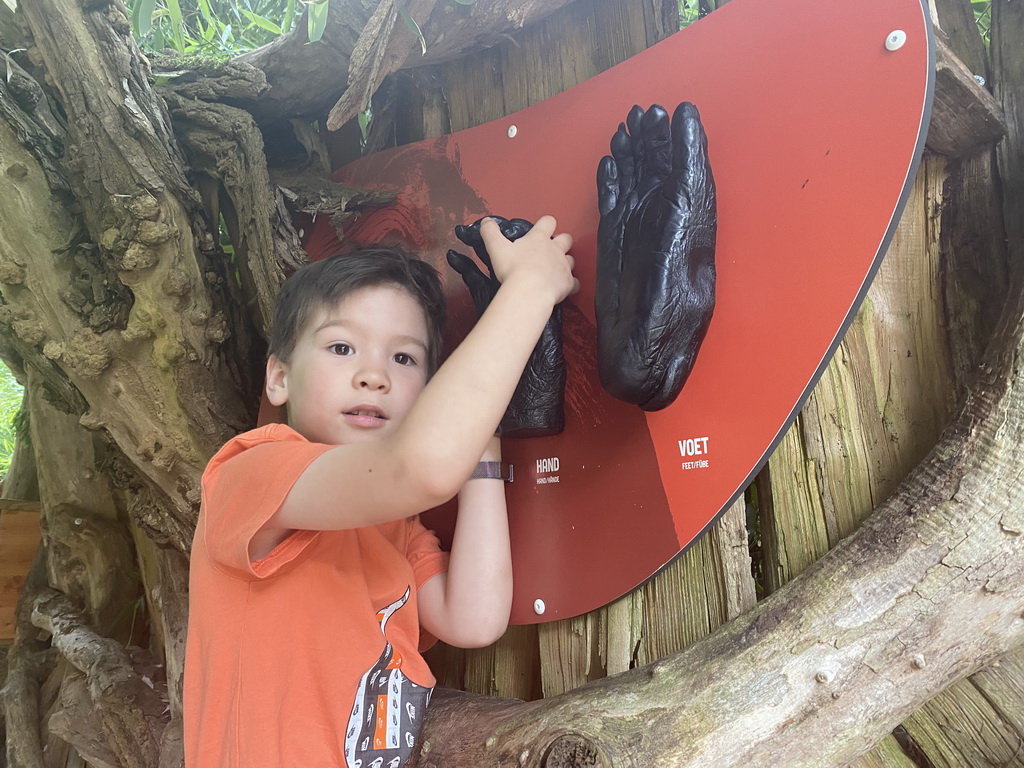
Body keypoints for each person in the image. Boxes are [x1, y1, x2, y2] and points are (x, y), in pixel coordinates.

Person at [184, 216, 578, 768]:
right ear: (278, 379)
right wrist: (530, 287)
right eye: (342, 348)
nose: (375, 376)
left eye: (404, 358)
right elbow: (417, 468)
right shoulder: (252, 472)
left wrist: (481, 448)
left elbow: (474, 618)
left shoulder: (394, 528)